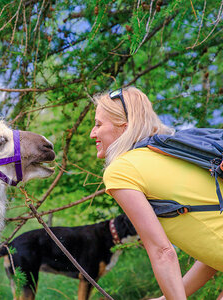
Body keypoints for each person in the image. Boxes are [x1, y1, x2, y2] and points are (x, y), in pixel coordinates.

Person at [90, 86, 223, 300]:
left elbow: (163, 252)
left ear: (123, 127)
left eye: (98, 125)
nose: (92, 133)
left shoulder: (121, 170)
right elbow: (214, 249)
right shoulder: (170, 154)